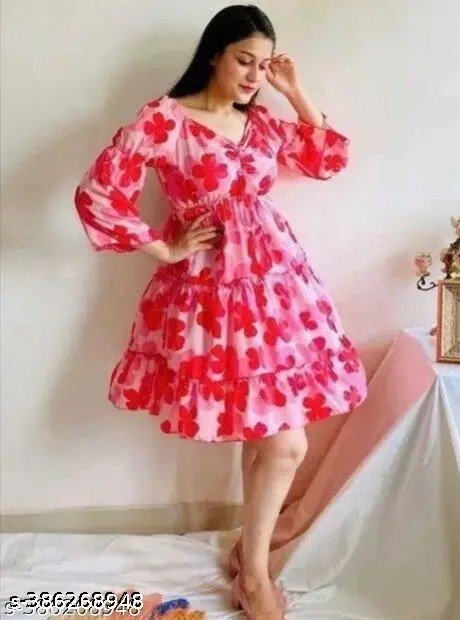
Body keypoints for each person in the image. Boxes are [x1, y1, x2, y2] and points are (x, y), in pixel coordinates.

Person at [74, 4, 368, 617]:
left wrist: (294, 91)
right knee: (277, 439)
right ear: (214, 54)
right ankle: (253, 572)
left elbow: (327, 160)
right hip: (209, 297)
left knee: (276, 438)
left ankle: (249, 561)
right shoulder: (165, 119)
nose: (255, 75)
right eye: (244, 60)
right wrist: (162, 246)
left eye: (265, 65)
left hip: (278, 291)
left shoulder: (260, 122)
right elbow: (99, 193)